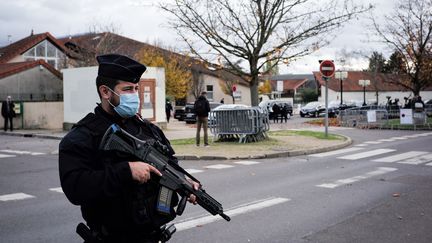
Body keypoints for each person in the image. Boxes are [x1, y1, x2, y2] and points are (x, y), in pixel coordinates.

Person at [58, 54, 199, 243]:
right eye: (127, 89)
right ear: (105, 92)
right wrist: (126, 171)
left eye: (135, 89)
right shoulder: (83, 136)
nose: (134, 95)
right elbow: (75, 188)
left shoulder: (149, 130)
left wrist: (183, 183)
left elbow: (169, 162)